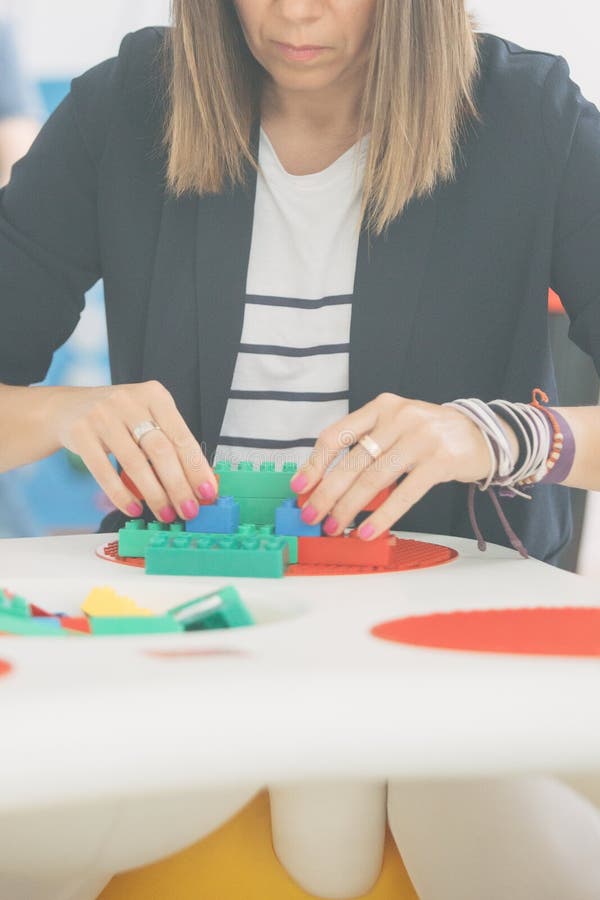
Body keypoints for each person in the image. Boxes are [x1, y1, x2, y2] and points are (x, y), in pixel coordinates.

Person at [1, 3, 600, 895]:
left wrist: (493, 432)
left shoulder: (532, 115)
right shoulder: (126, 106)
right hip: (178, 640)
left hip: (433, 660)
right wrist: (58, 415)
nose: (294, 10)